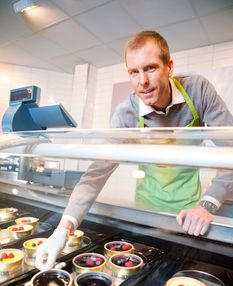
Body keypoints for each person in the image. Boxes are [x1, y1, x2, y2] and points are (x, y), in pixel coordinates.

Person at [35, 30, 233, 270]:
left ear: (169, 66)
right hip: (146, 207)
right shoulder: (126, 113)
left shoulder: (198, 90)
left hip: (190, 209)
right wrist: (63, 229)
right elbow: (96, 174)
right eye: (133, 72)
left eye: (150, 68)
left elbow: (230, 152)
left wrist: (207, 205)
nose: (143, 82)